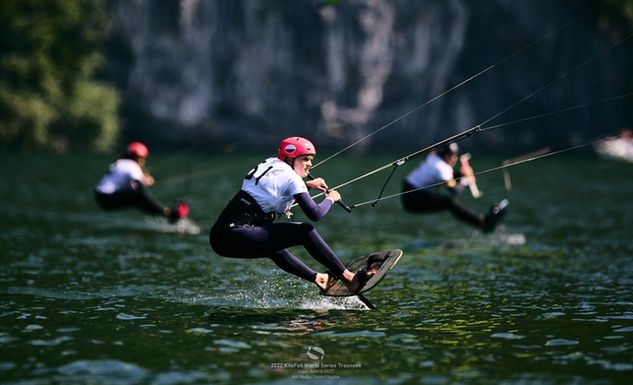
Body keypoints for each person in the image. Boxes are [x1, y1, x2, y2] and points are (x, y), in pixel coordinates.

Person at [209, 136, 371, 292]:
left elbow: (273, 192)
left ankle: (319, 279)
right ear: (289, 159)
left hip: (220, 238)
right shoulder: (292, 178)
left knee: (275, 246)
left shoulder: (272, 163)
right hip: (234, 234)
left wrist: (307, 185)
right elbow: (315, 214)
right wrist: (330, 198)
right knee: (304, 231)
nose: (309, 165)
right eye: (305, 159)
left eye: (311, 160)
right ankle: (349, 278)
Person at [401, 142, 508, 233]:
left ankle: (483, 223)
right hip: (412, 199)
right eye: (454, 156)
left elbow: (449, 181)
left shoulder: (434, 158)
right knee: (449, 202)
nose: (455, 159)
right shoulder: (441, 168)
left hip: (410, 192)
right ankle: (483, 224)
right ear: (448, 156)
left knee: (447, 202)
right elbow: (453, 190)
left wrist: (461, 174)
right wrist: (466, 180)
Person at [95, 141, 189, 223]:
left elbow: (129, 182)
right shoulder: (132, 165)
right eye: (143, 159)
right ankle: (167, 213)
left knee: (137, 198)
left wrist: (143, 180)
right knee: (139, 195)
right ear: (139, 158)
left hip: (100, 197)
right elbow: (138, 187)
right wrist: (144, 181)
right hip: (108, 198)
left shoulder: (121, 162)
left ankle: (166, 213)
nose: (143, 162)